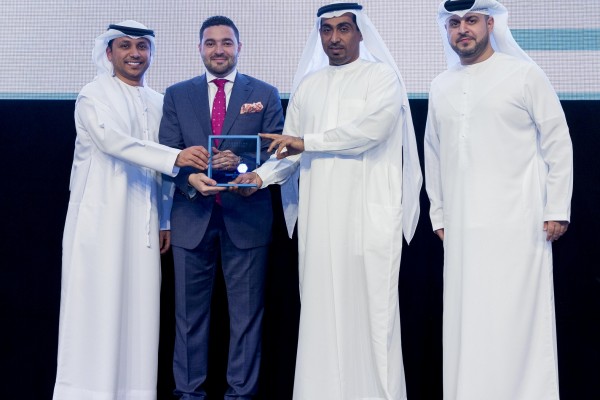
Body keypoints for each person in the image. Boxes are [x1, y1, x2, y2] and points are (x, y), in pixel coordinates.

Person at [234, 3, 422, 399]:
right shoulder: (309, 85)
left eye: (343, 29)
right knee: (321, 314)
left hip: (368, 216)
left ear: (360, 33)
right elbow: (288, 150)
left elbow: (371, 130)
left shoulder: (382, 77)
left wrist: (307, 142)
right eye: (327, 30)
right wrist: (260, 177)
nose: (334, 38)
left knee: (373, 316)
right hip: (320, 219)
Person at [424, 1, 573, 399]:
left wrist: (557, 207)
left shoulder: (523, 74)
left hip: (518, 226)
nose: (462, 29)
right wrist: (439, 213)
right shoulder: (440, 85)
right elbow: (433, 154)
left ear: (490, 24)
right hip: (462, 229)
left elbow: (558, 142)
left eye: (471, 21)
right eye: (454, 23)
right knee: (468, 321)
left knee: (516, 321)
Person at [53, 21, 210, 400]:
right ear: (109, 52)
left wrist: (166, 219)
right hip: (99, 221)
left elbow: (162, 173)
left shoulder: (158, 101)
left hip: (143, 221)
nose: (134, 53)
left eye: (142, 46)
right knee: (95, 305)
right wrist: (176, 156)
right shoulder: (93, 95)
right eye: (125, 46)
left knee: (139, 311)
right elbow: (113, 142)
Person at [158, 16, 284, 399]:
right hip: (191, 216)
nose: (218, 50)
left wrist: (246, 169)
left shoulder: (264, 93)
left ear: (239, 48)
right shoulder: (177, 94)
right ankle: (189, 394)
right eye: (210, 43)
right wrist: (190, 179)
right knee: (188, 318)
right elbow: (167, 153)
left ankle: (241, 395)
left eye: (226, 42)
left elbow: (275, 153)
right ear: (199, 48)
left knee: (246, 319)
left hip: (246, 217)